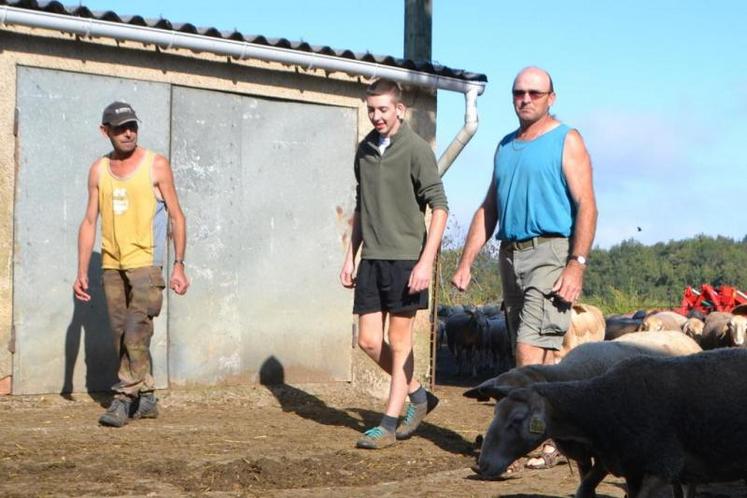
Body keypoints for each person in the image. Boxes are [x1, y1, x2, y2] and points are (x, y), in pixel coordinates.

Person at [451, 67, 597, 468]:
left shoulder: (566, 140)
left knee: (527, 352)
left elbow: (586, 204)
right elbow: (489, 208)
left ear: (552, 97)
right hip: (510, 254)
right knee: (543, 358)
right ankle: (554, 437)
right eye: (519, 92)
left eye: (535, 92)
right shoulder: (505, 146)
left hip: (551, 252)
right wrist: (466, 262)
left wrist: (576, 265)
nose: (526, 98)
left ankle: (510, 444)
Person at [340, 79, 448, 449]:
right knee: (369, 342)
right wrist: (349, 255)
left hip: (406, 260)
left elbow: (440, 207)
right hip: (372, 258)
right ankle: (418, 395)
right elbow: (361, 205)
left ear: (399, 109)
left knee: (399, 343)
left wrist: (425, 263)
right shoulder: (364, 150)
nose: (377, 116)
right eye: (371, 109)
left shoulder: (417, 149)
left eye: (383, 109)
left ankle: (388, 423)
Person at [73, 101, 190, 427]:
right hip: (112, 263)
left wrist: (179, 264)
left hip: (146, 265)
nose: (128, 133)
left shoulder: (156, 165)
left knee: (136, 332)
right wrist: (82, 270)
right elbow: (88, 221)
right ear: (105, 131)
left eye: (133, 126)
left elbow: (177, 216)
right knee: (120, 335)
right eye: (120, 127)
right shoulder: (98, 170)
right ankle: (147, 395)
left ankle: (124, 398)